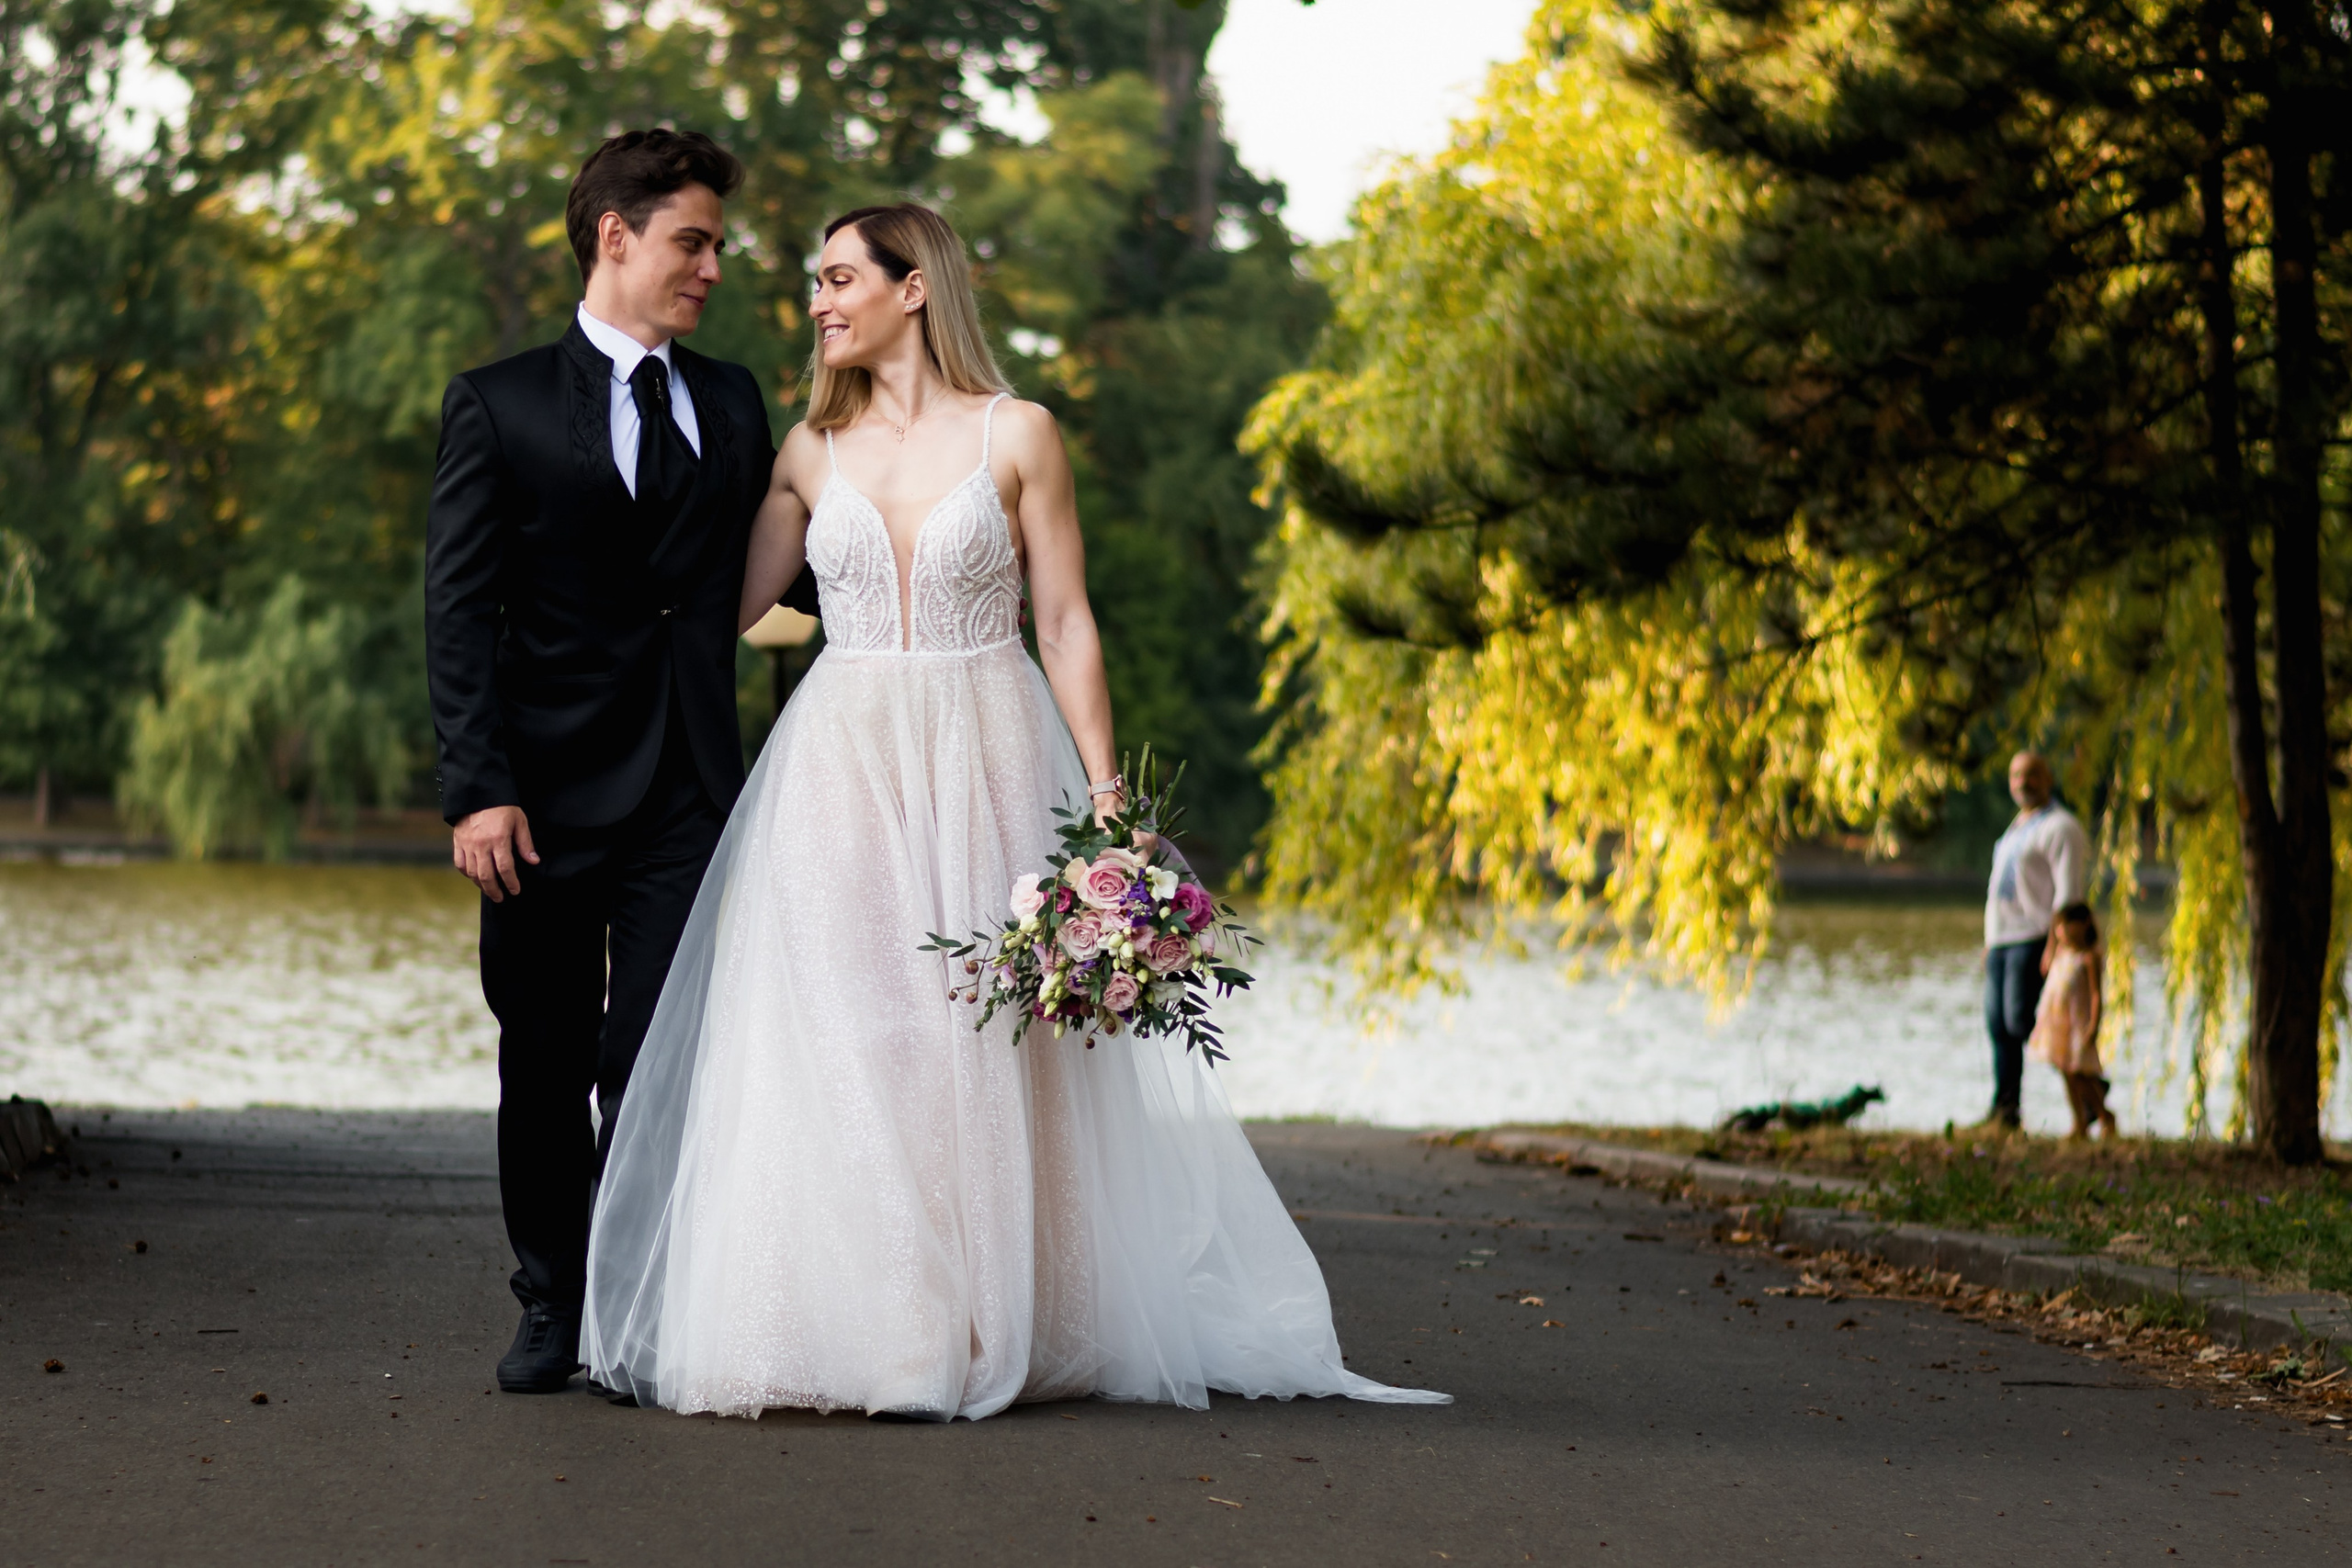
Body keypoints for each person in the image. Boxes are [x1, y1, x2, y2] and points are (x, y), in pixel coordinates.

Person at [581, 203, 1445, 1419]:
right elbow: (713, 605)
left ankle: (1002, 1315)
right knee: (853, 1030)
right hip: (839, 765)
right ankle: (876, 1322)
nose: (817, 303)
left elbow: (1067, 620)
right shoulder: (803, 451)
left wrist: (1106, 800)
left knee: (980, 1038)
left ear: (914, 286)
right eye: (815, 284)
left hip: (991, 747)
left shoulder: (1019, 432)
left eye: (837, 279)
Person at [424, 130, 819, 1394]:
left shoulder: (738, 399)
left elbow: (800, 569)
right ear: (617, 235)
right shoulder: (499, 402)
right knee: (542, 1058)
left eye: (716, 244)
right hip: (534, 800)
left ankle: (639, 1300)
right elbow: (457, 612)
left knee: (652, 1055)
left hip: (691, 792)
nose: (712, 266)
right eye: (692, 240)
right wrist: (476, 784)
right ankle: (553, 1298)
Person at [1981, 750, 2090, 1129]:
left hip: (2034, 936)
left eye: (2031, 775)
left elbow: (2069, 892)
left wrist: (2055, 944)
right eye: (2015, 776)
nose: (2021, 783)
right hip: (2002, 939)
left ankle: (2089, 1092)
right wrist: (1989, 942)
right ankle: (2005, 1110)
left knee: (2025, 1020)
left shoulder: (2060, 827)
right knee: (1998, 1024)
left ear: (2048, 779)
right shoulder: (2016, 827)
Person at [2030, 902, 2113, 1139]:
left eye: (2067, 925)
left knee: (2082, 1073)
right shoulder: (2061, 954)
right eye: (2058, 927)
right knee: (2066, 1072)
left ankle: (2105, 1116)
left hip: (2078, 1024)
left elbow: (2096, 994)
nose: (2061, 932)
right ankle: (2079, 1123)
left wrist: (2094, 1024)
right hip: (2058, 1024)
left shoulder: (2089, 957)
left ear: (2084, 924)